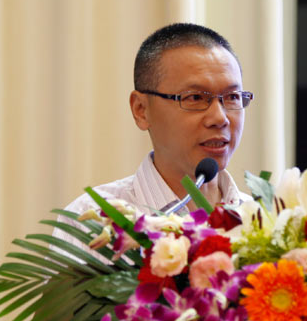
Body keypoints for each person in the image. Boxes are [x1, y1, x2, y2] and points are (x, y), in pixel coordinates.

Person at [62, 22, 253, 218]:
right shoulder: (98, 219)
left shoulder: (262, 220)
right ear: (141, 110)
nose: (219, 118)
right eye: (195, 98)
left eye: (232, 97)